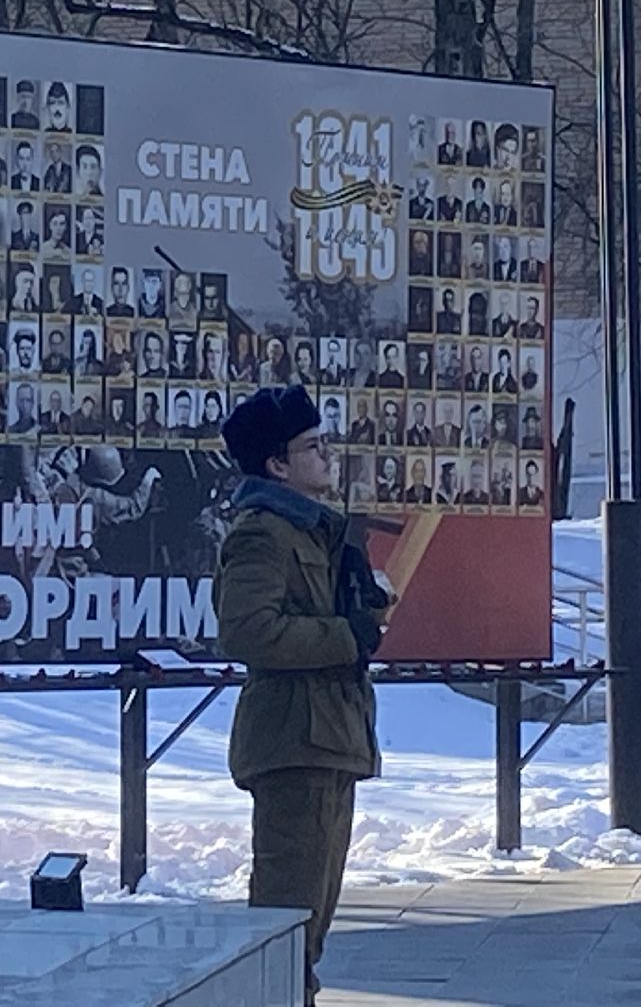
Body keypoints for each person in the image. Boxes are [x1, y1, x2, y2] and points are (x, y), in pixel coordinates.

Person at [216, 385, 386, 1007]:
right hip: (295, 744)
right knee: (285, 929)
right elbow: (247, 631)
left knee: (307, 932)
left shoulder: (311, 530)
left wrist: (361, 606)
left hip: (328, 739)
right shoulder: (263, 533)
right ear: (276, 465)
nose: (327, 456)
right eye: (312, 447)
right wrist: (346, 634)